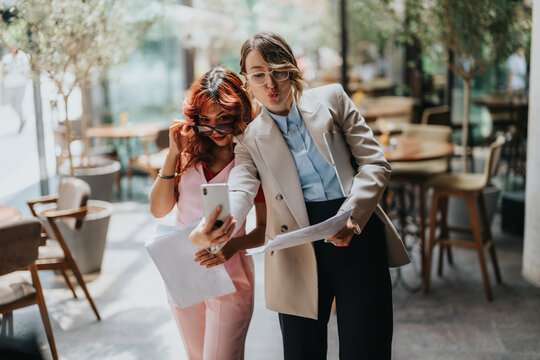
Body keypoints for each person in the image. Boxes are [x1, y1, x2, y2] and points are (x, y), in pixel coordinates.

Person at [190, 32, 409, 359]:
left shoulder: (332, 99)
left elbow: (375, 163)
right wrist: (221, 220)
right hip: (294, 248)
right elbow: (241, 186)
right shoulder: (248, 139)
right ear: (248, 81)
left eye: (277, 71)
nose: (271, 84)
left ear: (291, 68)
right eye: (259, 75)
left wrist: (354, 216)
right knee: (301, 352)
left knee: (368, 349)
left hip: (356, 233)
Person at [149, 66, 266, 360]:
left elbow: (265, 228)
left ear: (239, 115)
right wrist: (173, 154)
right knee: (196, 356)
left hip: (232, 277)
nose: (215, 131)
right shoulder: (189, 156)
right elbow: (159, 209)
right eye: (206, 122)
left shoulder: (252, 163)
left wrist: (234, 246)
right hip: (184, 274)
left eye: (224, 121)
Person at [1, 46, 29, 133]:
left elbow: (27, 69)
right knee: (13, 105)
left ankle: (22, 121)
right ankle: (22, 119)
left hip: (20, 84)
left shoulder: (22, 57)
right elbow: (3, 71)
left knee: (18, 104)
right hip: (10, 86)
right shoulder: (6, 58)